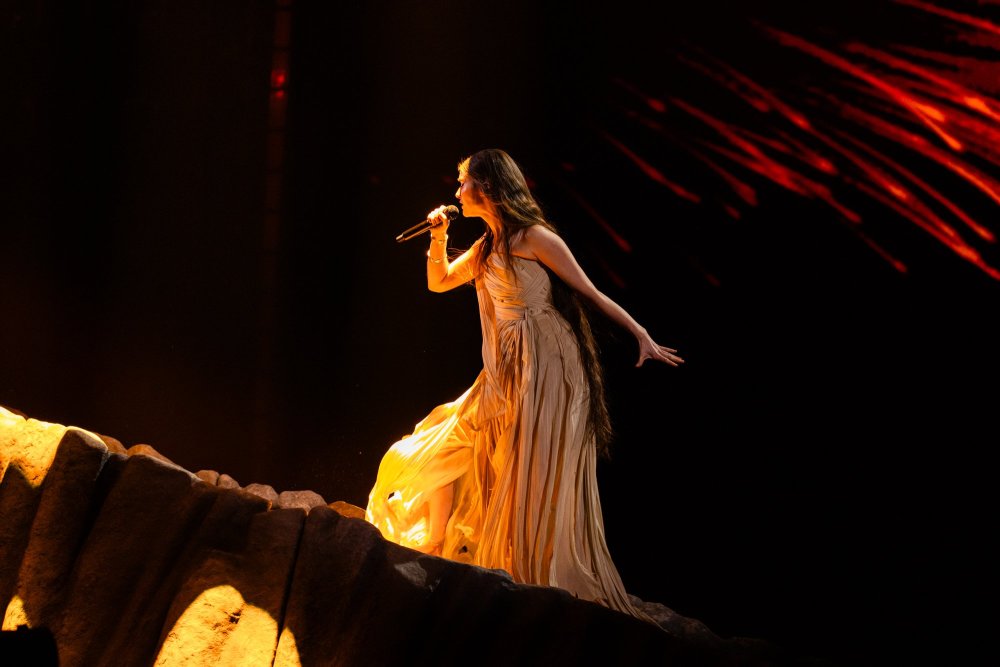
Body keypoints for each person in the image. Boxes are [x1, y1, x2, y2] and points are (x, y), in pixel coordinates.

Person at [365, 148, 684, 623]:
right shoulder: (487, 246)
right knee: (446, 438)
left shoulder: (535, 237)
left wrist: (642, 335)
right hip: (505, 366)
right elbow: (439, 282)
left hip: (547, 361)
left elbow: (590, 292)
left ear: (487, 187)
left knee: (528, 460)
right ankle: (434, 543)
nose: (457, 192)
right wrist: (439, 236)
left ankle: (530, 568)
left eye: (463, 183)